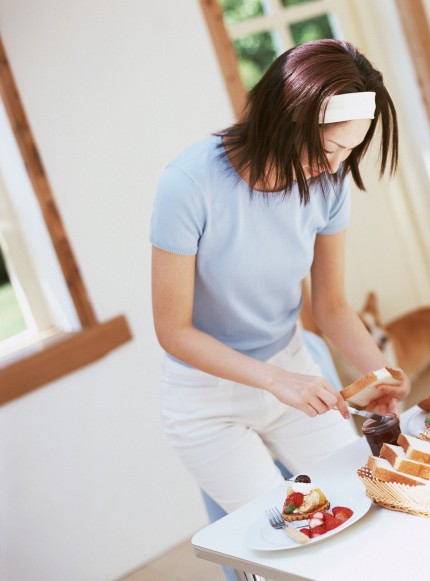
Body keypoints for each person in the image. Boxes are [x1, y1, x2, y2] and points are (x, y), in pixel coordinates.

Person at [150, 39, 410, 514]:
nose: (333, 167)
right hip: (208, 402)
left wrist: (380, 376)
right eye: (328, 147)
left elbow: (331, 307)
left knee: (366, 498)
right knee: (288, 528)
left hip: (293, 373)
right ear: (286, 115)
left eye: (347, 152)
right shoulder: (188, 184)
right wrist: (274, 380)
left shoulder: (329, 184)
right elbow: (173, 331)